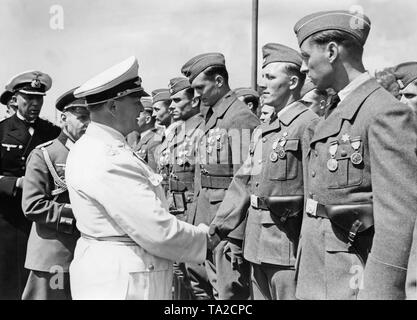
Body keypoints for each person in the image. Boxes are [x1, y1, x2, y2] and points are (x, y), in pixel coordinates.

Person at [293, 9, 417, 299]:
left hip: (350, 282)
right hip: (318, 272)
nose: (302, 68)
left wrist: (379, 293)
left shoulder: (384, 112)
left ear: (332, 52)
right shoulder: (335, 110)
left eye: (306, 56)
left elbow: (397, 222)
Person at [65, 56, 211, 300]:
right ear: (113, 107)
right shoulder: (108, 157)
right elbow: (157, 232)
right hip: (123, 280)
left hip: (114, 271)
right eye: (135, 101)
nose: (142, 109)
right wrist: (206, 239)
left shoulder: (97, 146)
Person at [209, 43, 318, 300]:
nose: (263, 84)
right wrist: (218, 228)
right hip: (256, 244)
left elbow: (315, 194)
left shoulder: (308, 125)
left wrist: (310, 251)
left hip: (288, 248)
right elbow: (243, 183)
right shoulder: (264, 129)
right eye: (263, 77)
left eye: (270, 77)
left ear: (292, 82)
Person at [181, 52, 260, 299]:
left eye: (200, 87)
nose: (197, 95)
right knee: (200, 292)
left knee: (227, 295)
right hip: (205, 224)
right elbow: (201, 178)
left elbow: (247, 180)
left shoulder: (240, 117)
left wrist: (235, 236)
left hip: (226, 231)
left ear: (218, 81)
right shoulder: (212, 117)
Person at [21, 87, 90, 300]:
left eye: (92, 117)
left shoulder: (94, 153)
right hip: (55, 258)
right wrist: (80, 214)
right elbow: (32, 205)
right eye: (81, 117)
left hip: (87, 254)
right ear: (63, 118)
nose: (88, 124)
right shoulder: (45, 154)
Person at [0, 70, 61, 299]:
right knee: (10, 278)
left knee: (43, 276)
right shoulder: (2, 131)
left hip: (43, 217)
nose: (35, 104)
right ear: (15, 99)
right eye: (29, 98)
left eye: (39, 98)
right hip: (9, 219)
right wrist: (16, 183)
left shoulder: (53, 132)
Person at [167, 76, 212, 299]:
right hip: (176, 215)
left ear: (194, 101)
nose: (171, 106)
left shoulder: (203, 131)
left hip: (193, 217)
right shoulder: (176, 132)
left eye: (176, 100)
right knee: (182, 280)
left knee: (199, 283)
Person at [128, 96, 162, 171]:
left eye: (137, 116)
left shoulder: (156, 139)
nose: (133, 118)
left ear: (147, 119)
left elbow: (154, 172)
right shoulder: (138, 139)